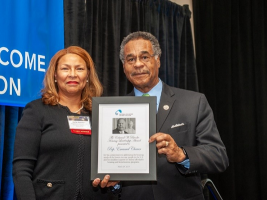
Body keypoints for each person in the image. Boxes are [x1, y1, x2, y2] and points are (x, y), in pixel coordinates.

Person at [95, 31, 229, 199]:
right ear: (124, 67)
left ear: (157, 60)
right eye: (131, 59)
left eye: (144, 57)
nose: (137, 64)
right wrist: (113, 182)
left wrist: (181, 154)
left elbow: (218, 156)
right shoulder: (111, 111)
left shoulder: (194, 102)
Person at [13, 46, 118, 200]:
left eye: (79, 69)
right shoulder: (36, 111)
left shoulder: (102, 113)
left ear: (87, 75)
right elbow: (21, 169)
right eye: (65, 68)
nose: (73, 74)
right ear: (55, 75)